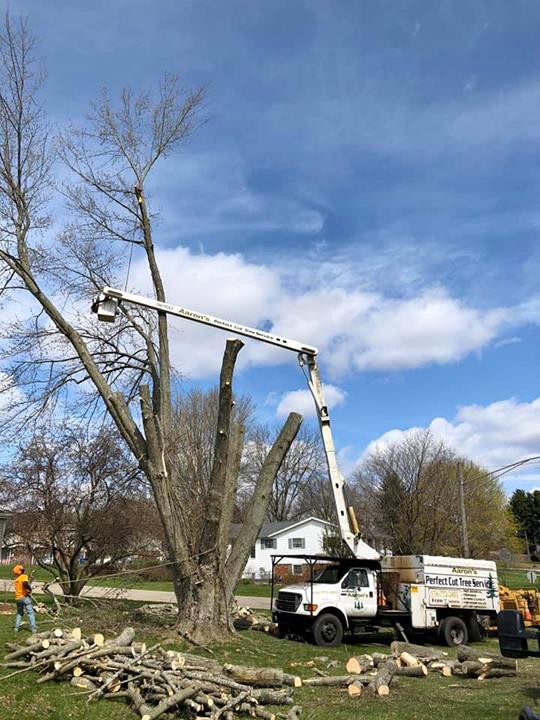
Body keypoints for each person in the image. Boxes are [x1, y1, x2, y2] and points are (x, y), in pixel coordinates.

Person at [12, 564, 37, 633]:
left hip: (18, 599)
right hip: (24, 598)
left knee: (19, 613)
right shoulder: (23, 576)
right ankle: (34, 629)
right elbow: (25, 584)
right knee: (30, 613)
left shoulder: (16, 579)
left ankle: (16, 628)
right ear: (22, 571)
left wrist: (27, 589)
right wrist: (30, 589)